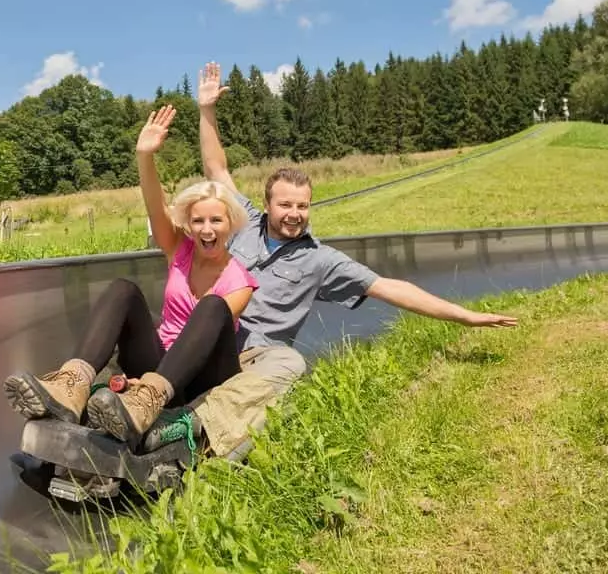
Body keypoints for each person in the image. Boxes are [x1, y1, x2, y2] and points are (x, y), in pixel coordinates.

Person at [175, 62, 518, 456]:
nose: (294, 213)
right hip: (209, 341)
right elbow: (216, 168)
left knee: (290, 366)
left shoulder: (322, 261)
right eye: (285, 204)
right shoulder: (241, 224)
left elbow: (389, 288)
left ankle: (198, 440)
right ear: (267, 204)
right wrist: (207, 110)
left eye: (303, 206)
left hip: (258, 358)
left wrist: (465, 316)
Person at [3, 105, 259, 452]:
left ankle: (149, 397)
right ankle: (72, 384)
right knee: (123, 290)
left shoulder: (239, 280)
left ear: (231, 225)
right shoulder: (181, 251)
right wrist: (144, 156)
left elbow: (210, 334)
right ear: (189, 225)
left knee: (213, 306)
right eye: (198, 221)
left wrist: (152, 386)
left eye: (216, 221)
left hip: (204, 376)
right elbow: (155, 205)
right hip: (158, 367)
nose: (207, 229)